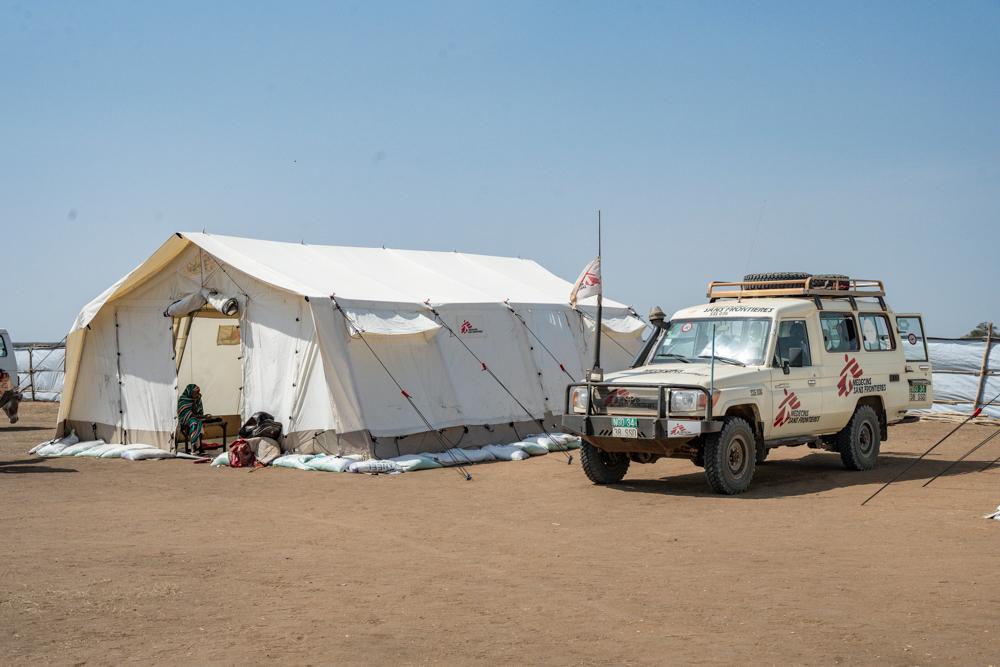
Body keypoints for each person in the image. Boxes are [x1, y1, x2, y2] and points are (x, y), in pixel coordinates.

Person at [177, 384, 209, 453]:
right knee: (194, 423)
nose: (198, 393)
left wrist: (204, 416)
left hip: (194, 418)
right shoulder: (183, 400)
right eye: (195, 392)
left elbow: (198, 412)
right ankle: (193, 448)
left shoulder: (197, 399)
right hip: (184, 419)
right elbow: (186, 414)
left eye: (198, 392)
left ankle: (198, 447)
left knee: (198, 423)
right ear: (190, 392)